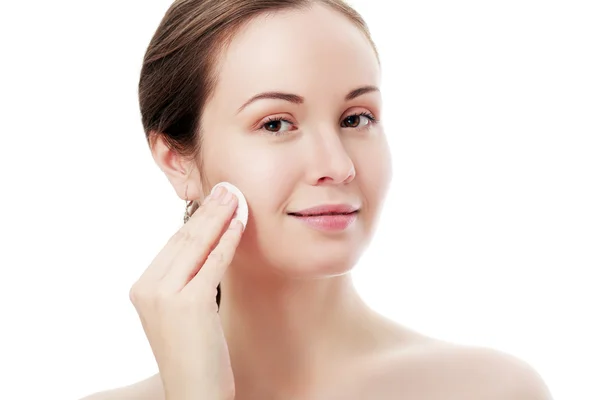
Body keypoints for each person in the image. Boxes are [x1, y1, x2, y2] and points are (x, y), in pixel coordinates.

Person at [82, 0, 553, 399]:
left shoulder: (491, 389)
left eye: (356, 118)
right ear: (175, 160)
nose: (338, 164)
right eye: (276, 123)